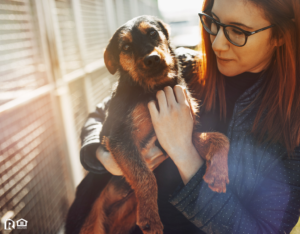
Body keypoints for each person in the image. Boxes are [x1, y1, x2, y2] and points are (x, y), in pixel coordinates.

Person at [65, 0, 300, 233]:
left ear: (280, 35)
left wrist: (184, 152)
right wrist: (104, 157)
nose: (217, 44)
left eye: (238, 31)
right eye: (213, 23)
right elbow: (102, 113)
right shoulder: (180, 66)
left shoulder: (293, 124)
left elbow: (263, 230)